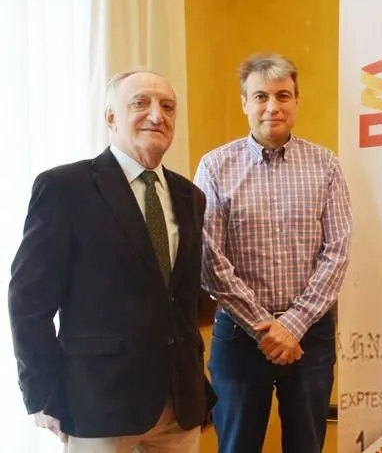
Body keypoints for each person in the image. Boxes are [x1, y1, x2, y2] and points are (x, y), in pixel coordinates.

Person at [8, 70, 214, 452]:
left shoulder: (190, 197)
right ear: (110, 117)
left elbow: (180, 302)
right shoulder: (65, 188)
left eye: (168, 106)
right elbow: (29, 301)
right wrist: (40, 391)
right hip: (98, 402)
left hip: (179, 405)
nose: (157, 115)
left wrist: (199, 386)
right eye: (141, 103)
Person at [195, 53, 352, 452]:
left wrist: (293, 325)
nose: (272, 106)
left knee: (306, 445)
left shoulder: (326, 165)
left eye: (283, 95)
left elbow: (337, 251)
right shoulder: (215, 167)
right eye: (260, 96)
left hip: (310, 335)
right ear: (244, 103)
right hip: (238, 335)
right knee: (236, 446)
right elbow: (210, 259)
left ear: (296, 101)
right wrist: (265, 328)